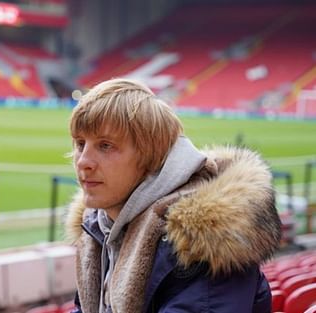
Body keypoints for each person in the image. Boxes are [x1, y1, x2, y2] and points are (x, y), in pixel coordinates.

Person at [64, 78, 282, 313]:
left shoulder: (201, 245)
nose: (83, 161)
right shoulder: (100, 228)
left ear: (151, 158)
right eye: (80, 144)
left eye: (105, 145)